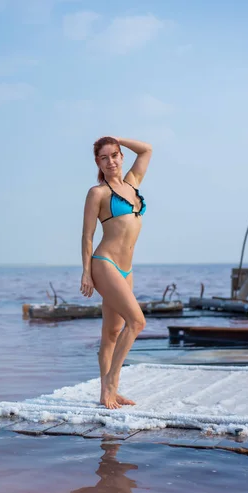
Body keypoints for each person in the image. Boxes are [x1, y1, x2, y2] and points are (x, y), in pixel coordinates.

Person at [80, 136, 152, 409]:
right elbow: (87, 236)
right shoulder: (97, 193)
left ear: (122, 157)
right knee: (137, 322)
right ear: (97, 162)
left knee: (112, 331)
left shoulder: (133, 183)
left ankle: (107, 392)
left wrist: (115, 138)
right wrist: (87, 273)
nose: (110, 162)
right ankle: (111, 382)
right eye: (103, 157)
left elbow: (147, 149)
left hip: (126, 268)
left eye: (115, 155)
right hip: (105, 263)